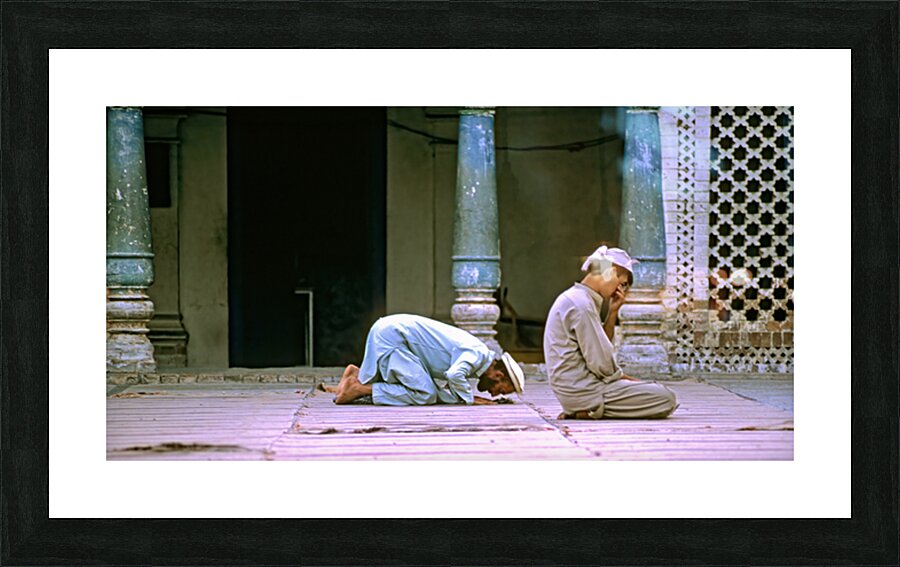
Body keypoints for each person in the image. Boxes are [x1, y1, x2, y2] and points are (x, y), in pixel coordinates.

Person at [543, 246, 677, 420]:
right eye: (622, 284)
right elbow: (602, 365)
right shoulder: (581, 305)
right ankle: (590, 408)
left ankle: (587, 409)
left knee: (651, 390)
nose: (619, 291)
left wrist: (612, 312)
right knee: (665, 397)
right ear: (610, 272)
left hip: (578, 389)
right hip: (584, 390)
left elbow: (598, 348)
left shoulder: (580, 299)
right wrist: (625, 378)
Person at [330, 314, 525, 406]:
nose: (492, 394)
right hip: (394, 336)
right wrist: (469, 399)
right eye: (498, 390)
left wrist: (460, 397)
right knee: (425, 394)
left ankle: (356, 375)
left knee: (425, 388)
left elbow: (449, 385)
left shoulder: (478, 356)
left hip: (391, 332)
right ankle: (359, 389)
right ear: (498, 375)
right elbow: (454, 375)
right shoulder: (477, 354)